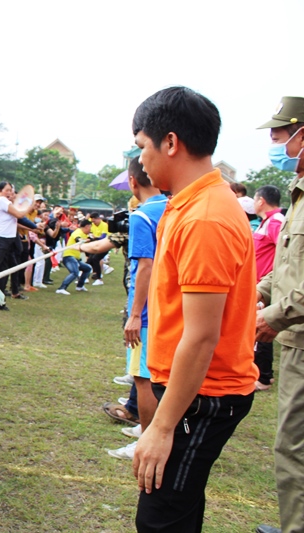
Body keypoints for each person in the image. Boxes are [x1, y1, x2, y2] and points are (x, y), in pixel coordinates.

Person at [130, 87, 257, 533]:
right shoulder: (189, 204)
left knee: (162, 517)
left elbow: (202, 335)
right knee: (173, 507)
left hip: (204, 395)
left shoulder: (206, 216)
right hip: (190, 387)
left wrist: (162, 427)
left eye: (142, 146)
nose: (140, 159)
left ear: (170, 142)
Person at [88, 157, 167, 460]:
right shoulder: (172, 209)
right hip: (167, 305)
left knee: (142, 377)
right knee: (155, 374)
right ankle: (147, 430)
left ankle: (146, 439)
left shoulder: (142, 216)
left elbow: (144, 266)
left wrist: (135, 314)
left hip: (147, 310)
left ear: (134, 182)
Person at [255, 96, 304, 533]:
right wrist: (255, 294)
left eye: (278, 135)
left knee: (294, 449)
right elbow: (288, 268)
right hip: (294, 337)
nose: (275, 144)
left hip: (300, 339)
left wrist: (276, 314)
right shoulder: (298, 196)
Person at [252, 185, 283, 393]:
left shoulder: (276, 222)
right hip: (259, 285)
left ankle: (263, 376)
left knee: (263, 326)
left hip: (268, 285)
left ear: (261, 200)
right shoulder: (266, 222)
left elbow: (285, 254)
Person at [0, 181, 34, 309]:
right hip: (0, 239)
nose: (10, 193)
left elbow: (19, 219)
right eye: (7, 190)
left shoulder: (6, 203)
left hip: (7, 240)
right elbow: (19, 214)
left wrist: (34, 227)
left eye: (11, 191)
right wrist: (29, 204)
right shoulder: (2, 200)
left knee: (3, 272)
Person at [55, 219, 93, 295]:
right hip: (69, 256)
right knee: (75, 272)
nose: (90, 229)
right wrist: (86, 240)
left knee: (87, 268)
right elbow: (78, 239)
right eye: (90, 227)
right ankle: (61, 288)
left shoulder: (84, 234)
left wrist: (90, 239)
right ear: (86, 226)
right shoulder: (78, 232)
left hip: (75, 257)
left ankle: (79, 286)